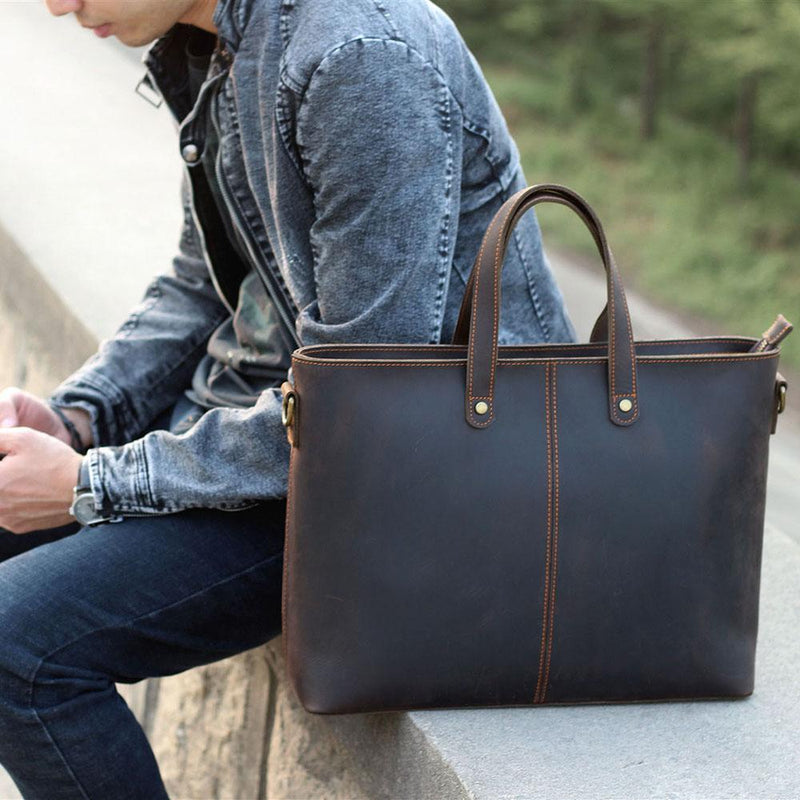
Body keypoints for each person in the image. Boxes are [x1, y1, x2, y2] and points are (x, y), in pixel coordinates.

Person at [0, 0, 578, 797]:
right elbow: (205, 285)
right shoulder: (217, 42)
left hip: (428, 478)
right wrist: (78, 418)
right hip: (297, 439)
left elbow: (362, 401)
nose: (58, 3)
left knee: (18, 645)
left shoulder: (360, 56)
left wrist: (93, 483)